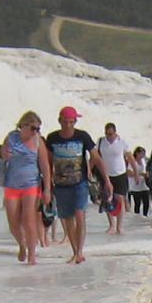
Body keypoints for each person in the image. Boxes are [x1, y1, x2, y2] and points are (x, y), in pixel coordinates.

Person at [46, 106, 107, 264]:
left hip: (80, 183)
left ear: (75, 122)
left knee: (80, 214)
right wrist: (47, 185)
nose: (68, 125)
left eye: (71, 122)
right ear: (59, 121)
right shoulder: (52, 138)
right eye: (65, 122)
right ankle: (75, 252)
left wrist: (106, 180)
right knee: (67, 219)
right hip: (61, 185)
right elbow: (48, 163)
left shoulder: (82, 136)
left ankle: (79, 251)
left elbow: (96, 158)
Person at [0, 111, 50, 265]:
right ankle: (22, 244)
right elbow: (3, 154)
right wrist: (5, 153)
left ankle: (32, 256)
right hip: (12, 184)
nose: (36, 131)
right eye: (33, 128)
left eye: (38, 128)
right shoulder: (11, 137)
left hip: (31, 184)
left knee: (29, 221)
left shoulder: (38, 141)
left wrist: (47, 189)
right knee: (13, 223)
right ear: (23, 125)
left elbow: (45, 166)